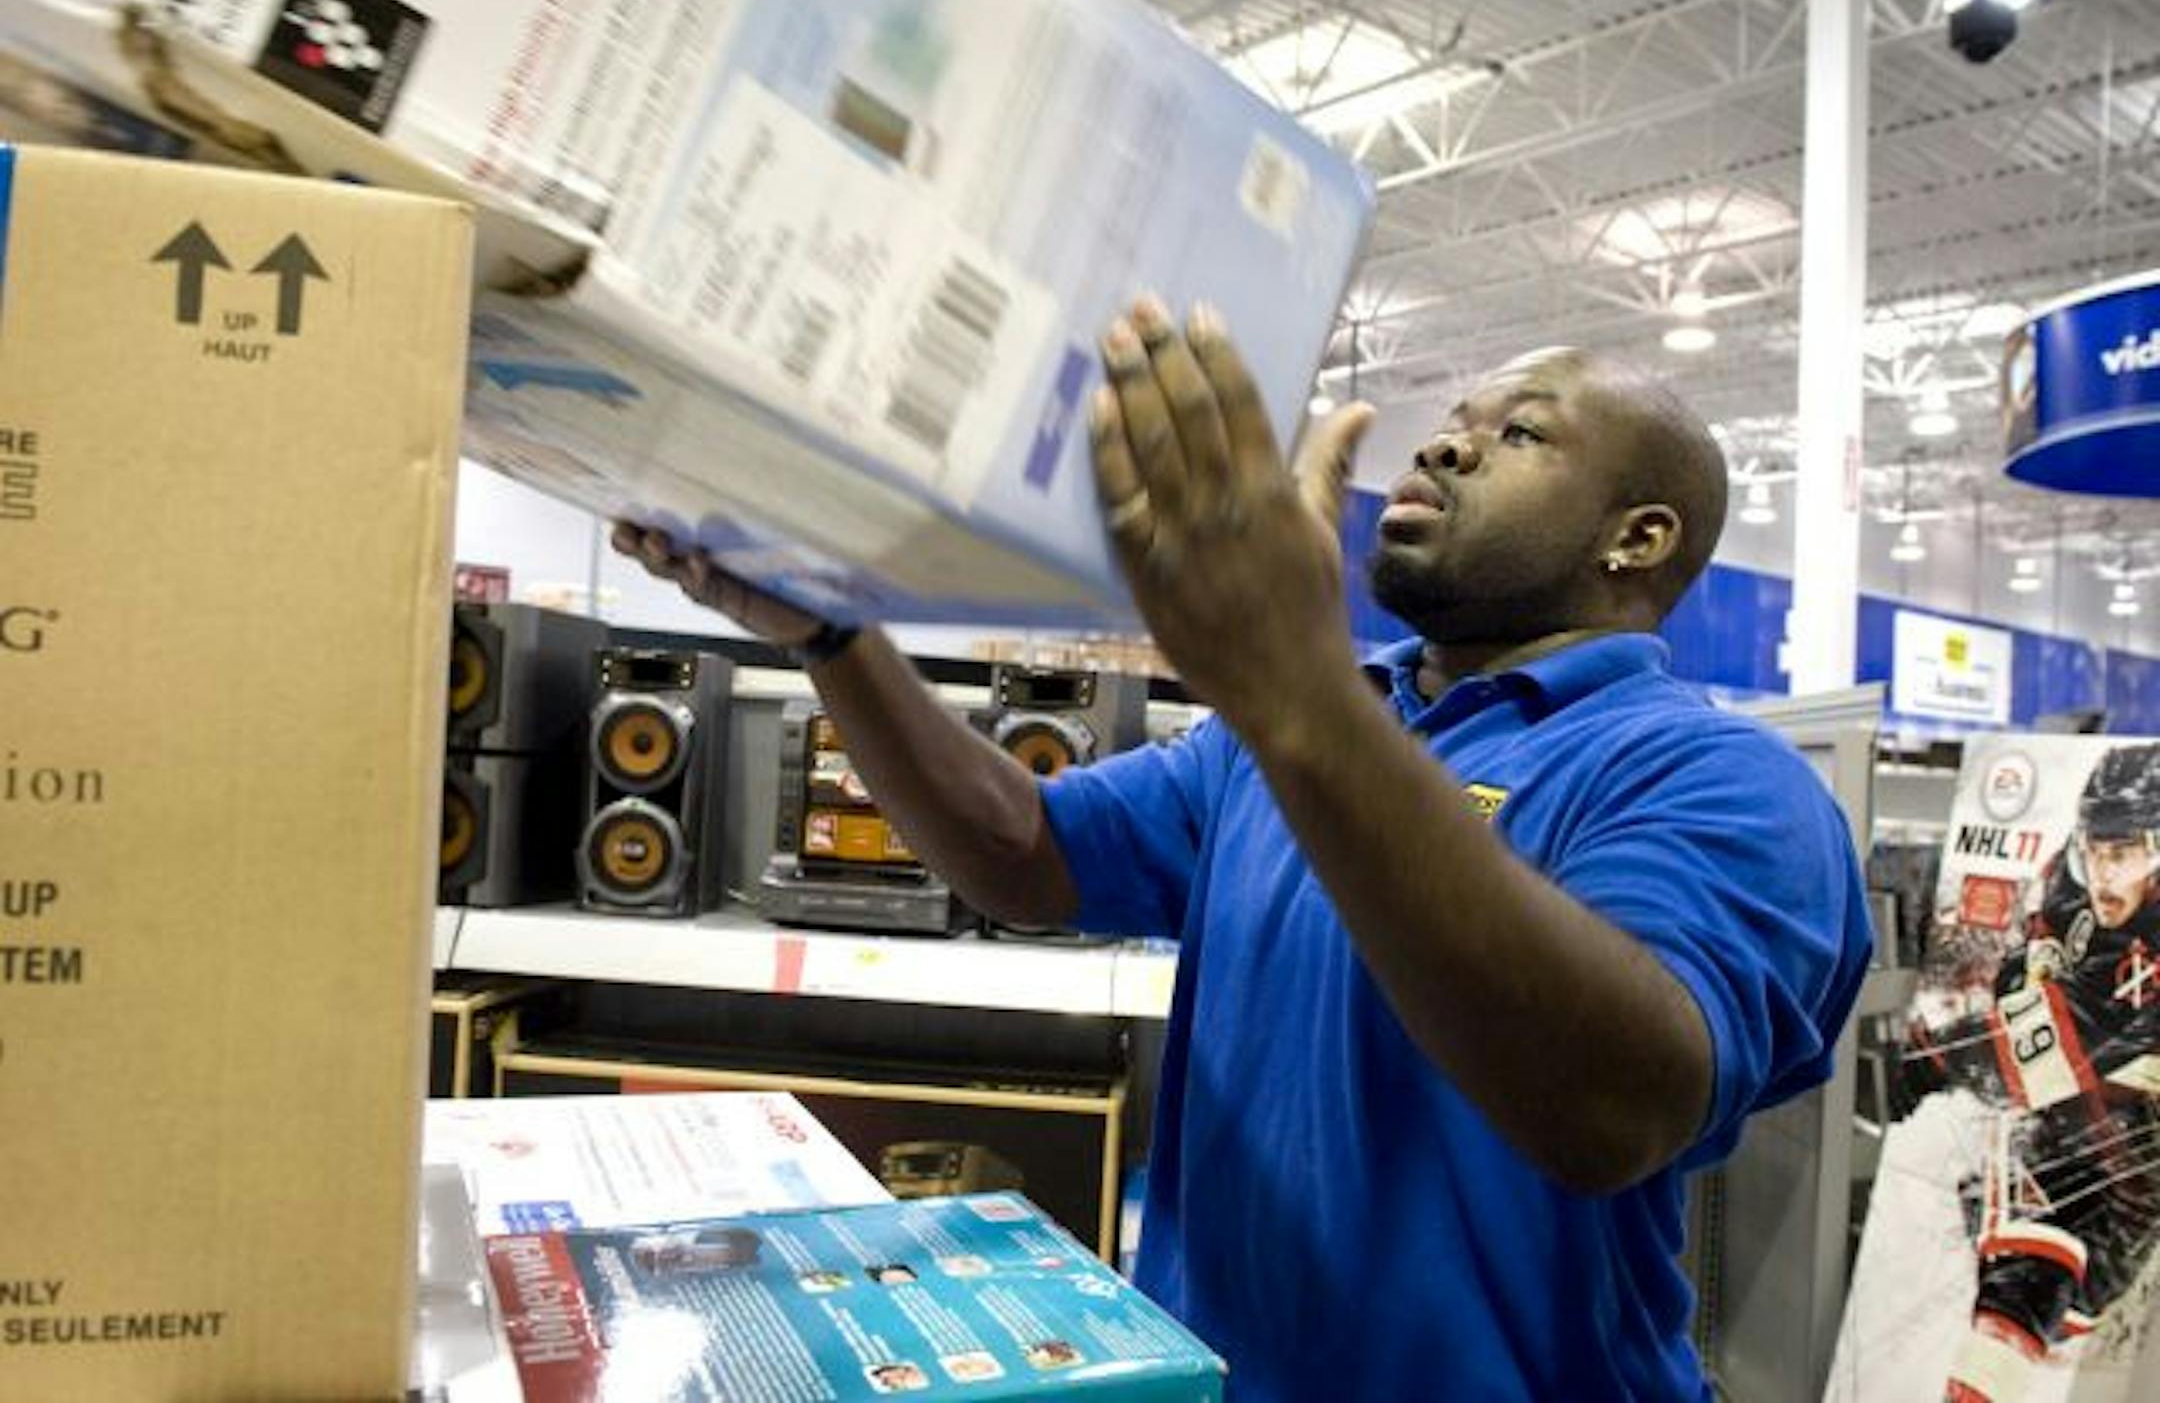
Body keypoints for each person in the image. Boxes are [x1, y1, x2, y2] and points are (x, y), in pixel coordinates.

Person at [615, 296, 1873, 1399]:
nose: (1446, 442)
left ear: (1637, 538)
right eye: (1455, 414)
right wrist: (837, 638)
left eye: (1523, 431)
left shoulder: (1719, 783)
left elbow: (1611, 1103)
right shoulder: (1304, 728)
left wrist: (1297, 694)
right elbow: (1021, 850)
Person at [1903, 744, 2160, 1400]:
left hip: (2140, 1151)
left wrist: (1941, 1058)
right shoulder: (2073, 879)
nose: (2104, 871)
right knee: (2024, 1254)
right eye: (2096, 847)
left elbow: (2071, 1037)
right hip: (2073, 1125)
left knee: (2070, 1268)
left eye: (2124, 852)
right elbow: (2032, 964)